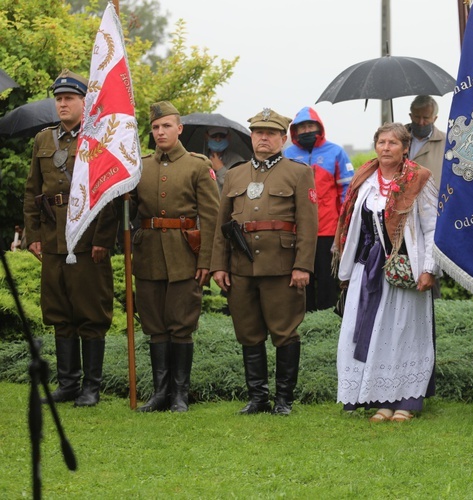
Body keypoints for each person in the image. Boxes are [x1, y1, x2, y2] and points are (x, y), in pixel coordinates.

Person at [211, 108, 318, 416]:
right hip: (241, 267)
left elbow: (308, 224)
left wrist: (303, 265)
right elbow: (223, 226)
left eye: (270, 133)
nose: (264, 138)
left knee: (284, 331)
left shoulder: (298, 173)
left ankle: (284, 400)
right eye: (258, 133)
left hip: (282, 266)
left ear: (283, 139)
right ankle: (257, 398)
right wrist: (219, 265)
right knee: (248, 331)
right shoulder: (235, 174)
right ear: (252, 137)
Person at [23, 69, 118, 407]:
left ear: (84, 102)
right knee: (59, 313)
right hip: (52, 239)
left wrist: (103, 240)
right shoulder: (43, 140)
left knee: (90, 314)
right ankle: (67, 385)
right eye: (59, 98)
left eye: (69, 98)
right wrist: (33, 234)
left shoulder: (98, 140)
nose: (62, 104)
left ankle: (91, 387)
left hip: (87, 239)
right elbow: (33, 189)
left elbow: (110, 195)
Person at [333, 122, 438, 422]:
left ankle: (406, 402)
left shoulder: (418, 179)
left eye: (393, 143)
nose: (386, 148)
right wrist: (345, 270)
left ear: (405, 148)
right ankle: (380, 399)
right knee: (374, 335)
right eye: (381, 142)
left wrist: (429, 268)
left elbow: (432, 227)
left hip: (405, 269)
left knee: (404, 335)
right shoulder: (364, 180)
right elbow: (353, 229)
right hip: (367, 270)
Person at [132, 101, 220, 413]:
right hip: (149, 256)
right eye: (155, 127)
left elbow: (211, 217)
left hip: (185, 256)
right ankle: (160, 394)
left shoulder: (197, 165)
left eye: (166, 126)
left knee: (181, 325)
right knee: (155, 325)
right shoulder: (140, 166)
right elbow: (128, 212)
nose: (160, 132)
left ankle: (180, 394)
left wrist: (206, 261)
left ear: (179, 128)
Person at [285, 106, 354, 311]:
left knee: (327, 278)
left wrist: (344, 224)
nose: (306, 130)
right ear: (294, 131)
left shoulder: (336, 152)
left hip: (328, 228)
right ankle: (304, 319)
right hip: (296, 230)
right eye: (301, 127)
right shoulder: (287, 154)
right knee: (300, 279)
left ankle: (327, 320)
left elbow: (347, 192)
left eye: (310, 126)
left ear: (319, 127)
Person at [406, 95, 446, 184]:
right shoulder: (398, 138)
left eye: (426, 118)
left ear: (435, 118)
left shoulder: (446, 143)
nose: (421, 122)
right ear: (411, 116)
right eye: (417, 117)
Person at [205, 126, 245, 193]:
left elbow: (240, 188)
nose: (218, 139)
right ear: (206, 137)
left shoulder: (238, 161)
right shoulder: (198, 160)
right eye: (214, 136)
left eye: (222, 136)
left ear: (228, 137)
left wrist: (221, 170)